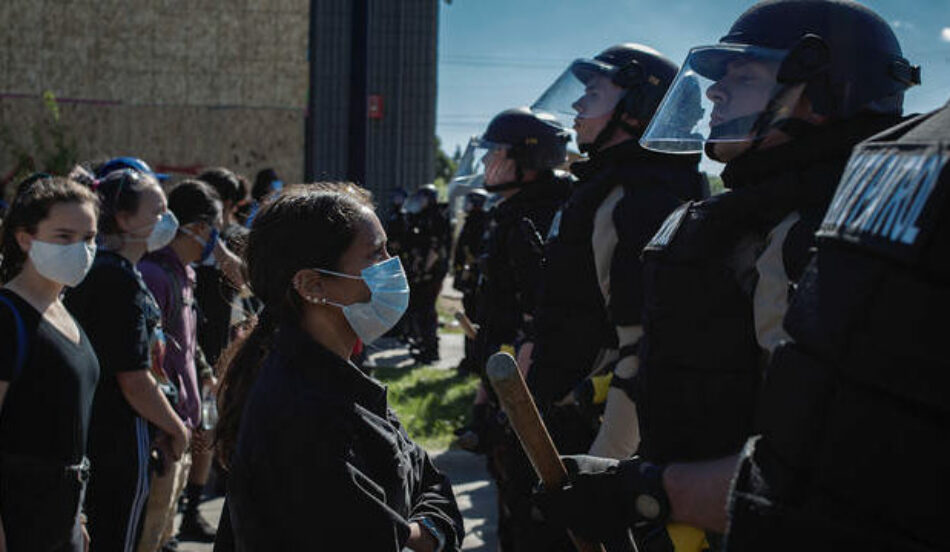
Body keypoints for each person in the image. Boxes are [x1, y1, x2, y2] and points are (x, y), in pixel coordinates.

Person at [533, 1, 921, 549]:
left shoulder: (824, 237)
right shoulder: (769, 215)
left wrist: (646, 490)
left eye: (742, 76)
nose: (713, 93)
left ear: (820, 95)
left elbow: (832, 468)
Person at [214, 184, 464, 550]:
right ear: (312, 285)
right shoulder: (302, 411)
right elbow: (367, 534)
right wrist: (422, 534)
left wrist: (421, 528)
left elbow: (426, 477)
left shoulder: (334, 376)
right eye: (375, 254)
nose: (392, 266)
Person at [527, 43, 704, 459]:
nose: (576, 103)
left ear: (635, 109)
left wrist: (604, 467)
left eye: (593, 94)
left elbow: (641, 351)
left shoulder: (636, 200)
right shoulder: (607, 187)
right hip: (569, 408)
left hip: (595, 429)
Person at [66, 168, 192, 552]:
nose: (165, 221)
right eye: (157, 212)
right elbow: (134, 379)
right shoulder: (117, 279)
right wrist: (177, 428)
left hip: (97, 431)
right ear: (123, 219)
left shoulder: (106, 271)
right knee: (118, 535)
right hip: (119, 435)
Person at [0, 175, 99, 552]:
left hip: (62, 514)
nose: (81, 249)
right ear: (26, 239)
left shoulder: (64, 311)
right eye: (63, 237)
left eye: (89, 238)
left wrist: (78, 515)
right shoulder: (7, 317)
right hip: (20, 513)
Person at [137, 180, 223, 550]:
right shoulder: (156, 276)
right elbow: (145, 360)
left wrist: (205, 374)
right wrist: (166, 426)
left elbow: (184, 344)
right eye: (216, 228)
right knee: (148, 532)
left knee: (162, 532)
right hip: (163, 430)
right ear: (201, 228)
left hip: (181, 426)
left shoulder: (183, 274)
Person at [403, 184, 452, 364]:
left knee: (427, 310)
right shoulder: (420, 217)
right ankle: (423, 344)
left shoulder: (437, 217)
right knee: (419, 309)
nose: (419, 201)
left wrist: (425, 270)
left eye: (422, 197)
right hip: (421, 270)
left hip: (432, 272)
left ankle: (431, 350)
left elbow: (436, 248)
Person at [451, 189, 489, 375]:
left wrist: (469, 271)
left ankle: (474, 360)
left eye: (469, 201)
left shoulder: (481, 223)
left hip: (474, 280)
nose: (465, 205)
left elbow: (475, 253)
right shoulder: (471, 221)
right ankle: (469, 359)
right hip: (468, 279)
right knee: (468, 316)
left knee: (474, 318)